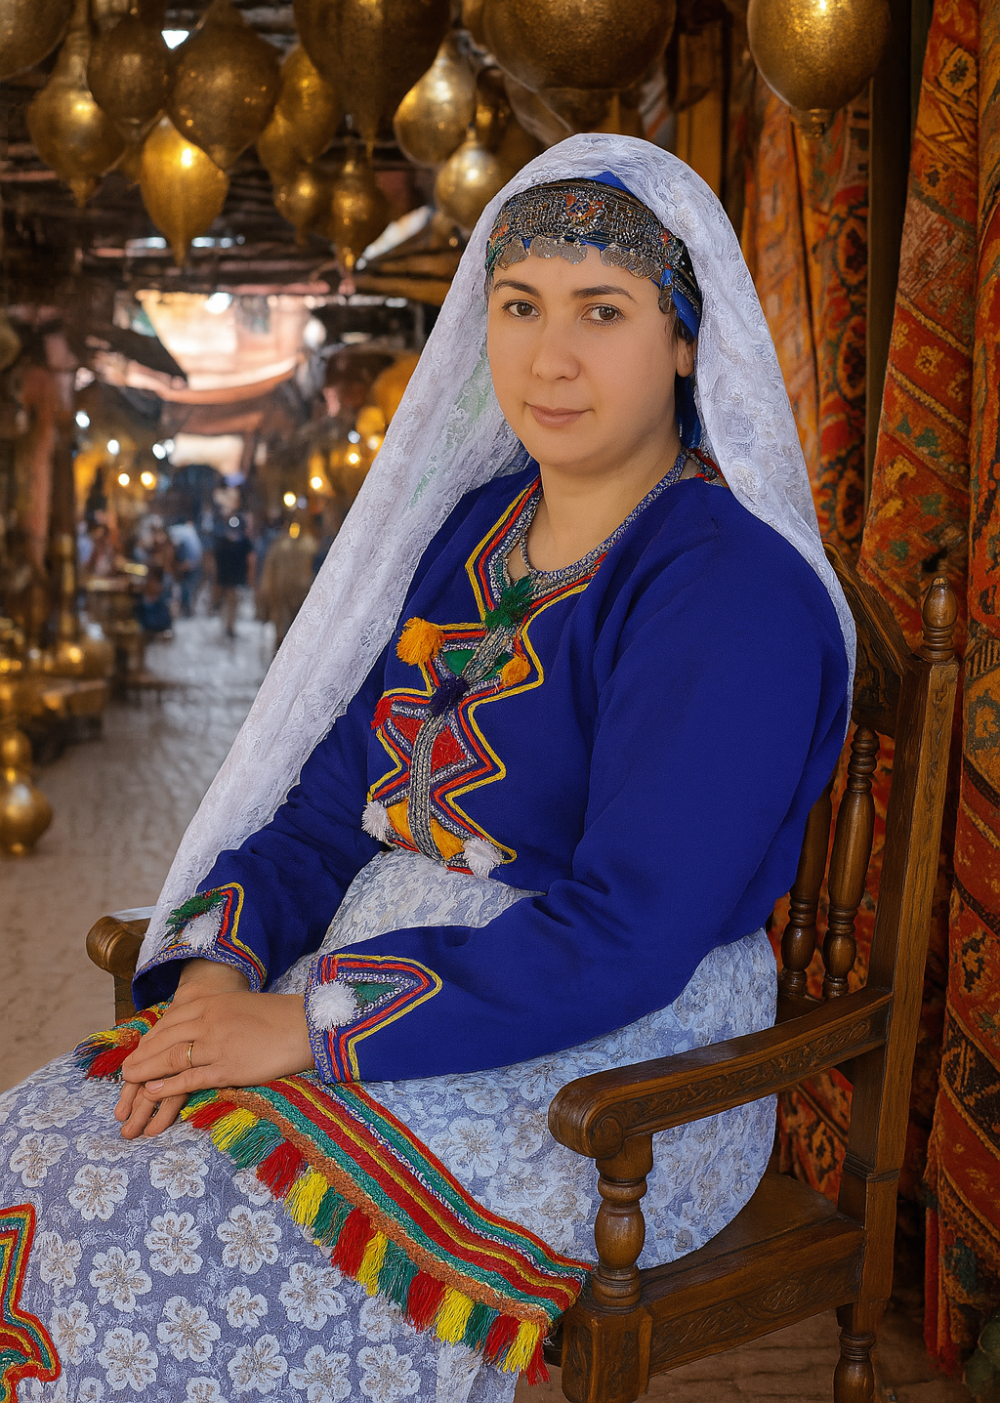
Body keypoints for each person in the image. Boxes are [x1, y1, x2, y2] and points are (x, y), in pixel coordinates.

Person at [0, 138, 852, 1403]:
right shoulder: (474, 532)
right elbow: (327, 810)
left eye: (601, 313)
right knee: (38, 1149)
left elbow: (630, 934)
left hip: (617, 1071)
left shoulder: (727, 590)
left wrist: (303, 1024)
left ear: (683, 342)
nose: (547, 358)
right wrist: (224, 970)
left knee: (151, 1235)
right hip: (385, 996)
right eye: (518, 306)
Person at [255, 518, 318, 649]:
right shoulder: (279, 546)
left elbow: (312, 566)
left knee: (297, 625)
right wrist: (266, 589)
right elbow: (270, 568)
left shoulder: (308, 545)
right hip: (281, 591)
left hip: (301, 592)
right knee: (280, 623)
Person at [212, 513, 255, 638]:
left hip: (230, 579)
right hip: (228, 578)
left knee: (230, 602)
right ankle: (228, 625)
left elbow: (250, 560)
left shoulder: (228, 542)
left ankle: (229, 625)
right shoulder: (229, 542)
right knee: (229, 603)